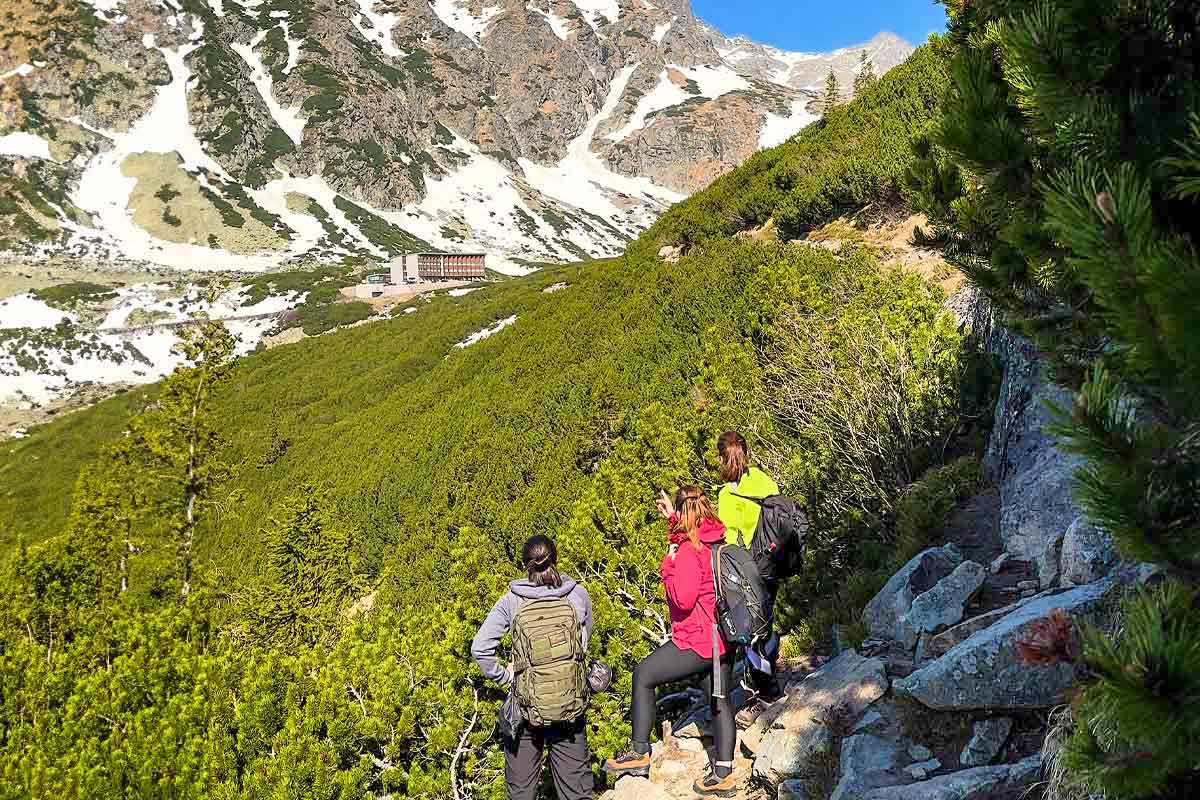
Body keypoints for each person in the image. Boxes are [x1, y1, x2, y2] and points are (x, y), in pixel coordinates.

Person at [604, 486, 738, 798]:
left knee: (644, 675)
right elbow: (687, 535)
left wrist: (667, 568)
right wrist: (672, 520)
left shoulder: (690, 552)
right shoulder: (713, 537)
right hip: (722, 640)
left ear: (685, 512)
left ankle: (639, 753)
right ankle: (723, 774)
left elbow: (684, 598)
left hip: (696, 640)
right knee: (719, 701)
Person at [472, 535, 594, 800]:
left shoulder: (512, 601)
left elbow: (480, 649)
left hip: (525, 709)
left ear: (526, 565)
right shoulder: (577, 594)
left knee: (521, 792)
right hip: (569, 705)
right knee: (577, 791)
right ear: (556, 558)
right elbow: (583, 643)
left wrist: (506, 677)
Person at [715, 431, 783, 729]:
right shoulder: (764, 481)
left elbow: (728, 540)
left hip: (749, 570)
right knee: (765, 623)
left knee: (752, 632)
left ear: (722, 458)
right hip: (774, 563)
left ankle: (767, 693)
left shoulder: (727, 495)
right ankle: (767, 682)